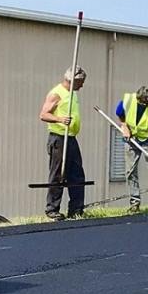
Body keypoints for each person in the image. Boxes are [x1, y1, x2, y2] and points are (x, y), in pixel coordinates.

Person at [40, 65, 88, 219]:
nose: (82, 85)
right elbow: (44, 114)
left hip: (71, 138)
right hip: (59, 138)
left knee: (77, 173)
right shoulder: (56, 93)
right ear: (73, 80)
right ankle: (52, 209)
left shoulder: (72, 94)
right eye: (81, 82)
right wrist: (60, 119)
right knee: (58, 174)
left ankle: (76, 209)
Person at [115, 85, 148, 210]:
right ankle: (134, 203)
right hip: (132, 139)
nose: (143, 104)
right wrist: (124, 127)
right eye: (141, 102)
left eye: (145, 103)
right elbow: (120, 114)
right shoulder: (127, 101)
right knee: (130, 171)